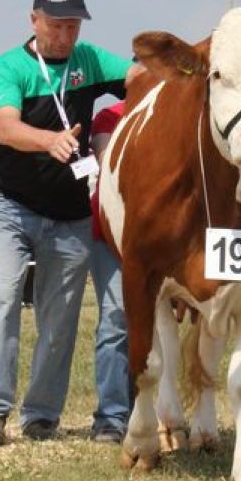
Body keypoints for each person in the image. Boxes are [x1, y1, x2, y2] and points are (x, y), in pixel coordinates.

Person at [0, 0, 131, 446]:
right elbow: (6, 129)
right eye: (57, 24)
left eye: (73, 26)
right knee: (2, 298)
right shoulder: (8, 68)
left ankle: (41, 416)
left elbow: (143, 76)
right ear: (34, 20)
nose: (65, 35)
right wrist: (51, 141)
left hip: (69, 213)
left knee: (59, 318)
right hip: (8, 205)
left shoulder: (91, 60)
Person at [88, 99, 129, 445]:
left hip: (161, 240)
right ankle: (112, 416)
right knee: (115, 321)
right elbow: (108, 163)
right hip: (111, 236)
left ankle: (158, 412)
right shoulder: (109, 116)